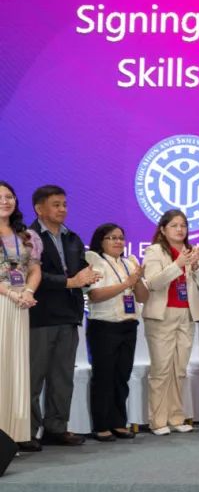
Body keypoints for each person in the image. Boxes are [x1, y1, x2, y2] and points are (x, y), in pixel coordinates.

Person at [27, 185, 100, 449]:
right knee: (33, 378)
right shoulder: (28, 238)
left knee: (62, 377)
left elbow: (79, 271)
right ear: (39, 208)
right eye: (56, 205)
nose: (62, 210)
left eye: (64, 204)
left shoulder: (73, 238)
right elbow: (32, 276)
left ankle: (56, 427)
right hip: (39, 315)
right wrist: (69, 282)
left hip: (69, 315)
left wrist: (89, 276)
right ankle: (27, 431)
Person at [142, 210, 199, 436]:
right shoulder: (154, 251)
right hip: (162, 314)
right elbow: (153, 283)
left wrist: (195, 267)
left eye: (183, 225)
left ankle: (176, 417)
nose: (180, 229)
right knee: (161, 369)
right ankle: (157, 421)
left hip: (187, 314)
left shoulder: (194, 252)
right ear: (163, 229)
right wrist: (177, 264)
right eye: (174, 225)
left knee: (179, 369)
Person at [85, 223, 148, 441]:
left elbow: (143, 297)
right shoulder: (94, 261)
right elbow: (95, 295)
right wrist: (126, 284)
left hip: (128, 326)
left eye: (121, 238)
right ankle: (101, 425)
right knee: (104, 376)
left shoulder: (129, 263)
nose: (118, 241)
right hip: (104, 326)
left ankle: (118, 422)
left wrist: (137, 280)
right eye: (112, 238)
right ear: (101, 241)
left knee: (122, 376)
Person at [0, 182, 41, 447]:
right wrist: (10, 293)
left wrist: (27, 291)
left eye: (9, 197)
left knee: (16, 367)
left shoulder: (26, 235)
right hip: (3, 300)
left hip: (21, 304)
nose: (5, 201)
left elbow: (34, 269)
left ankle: (12, 436)